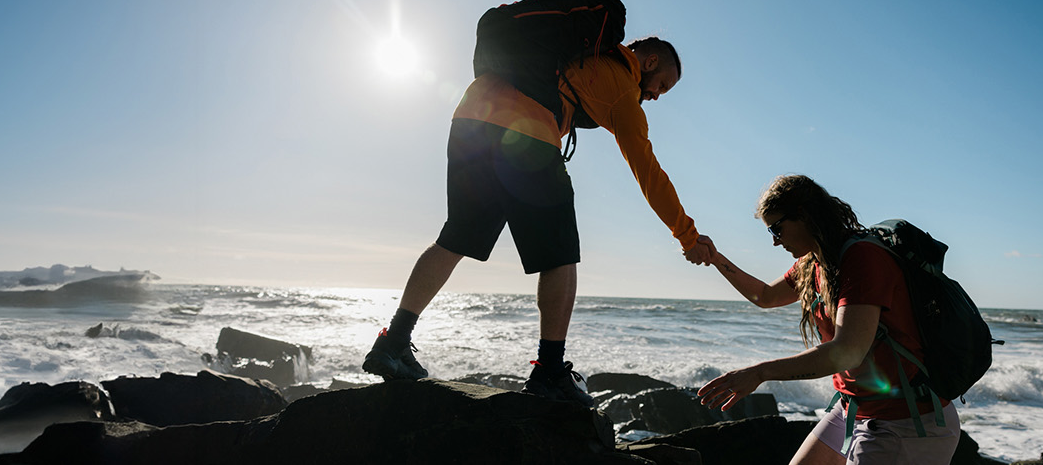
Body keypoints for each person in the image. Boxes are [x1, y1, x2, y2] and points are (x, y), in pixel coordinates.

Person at [359, 36, 712, 408]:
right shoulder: (622, 82)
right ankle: (549, 370)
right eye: (662, 86)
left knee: (455, 238)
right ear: (651, 61)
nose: (656, 95)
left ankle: (393, 341)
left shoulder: (576, 52)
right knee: (560, 256)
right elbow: (648, 171)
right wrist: (687, 236)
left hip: (470, 119)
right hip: (527, 133)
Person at [692, 174, 959, 464]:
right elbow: (766, 296)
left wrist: (759, 373)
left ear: (805, 215)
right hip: (854, 410)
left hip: (905, 422)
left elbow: (847, 352)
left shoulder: (862, 258)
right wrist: (716, 258)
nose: (774, 242)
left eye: (777, 229)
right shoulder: (814, 263)